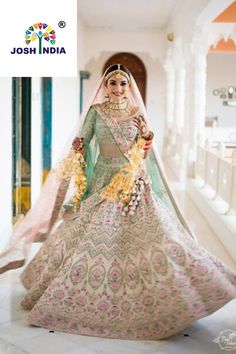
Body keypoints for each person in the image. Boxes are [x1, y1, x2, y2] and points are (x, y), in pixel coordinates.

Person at [1, 64, 236, 340]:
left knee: (158, 234)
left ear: (128, 86)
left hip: (133, 182)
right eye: (113, 83)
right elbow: (83, 140)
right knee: (93, 235)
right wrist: (78, 148)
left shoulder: (137, 113)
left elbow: (145, 148)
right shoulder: (96, 112)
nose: (118, 88)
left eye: (123, 84)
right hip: (102, 179)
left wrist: (147, 135)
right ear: (105, 85)